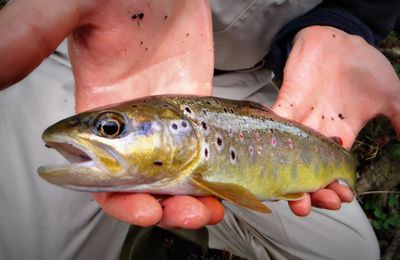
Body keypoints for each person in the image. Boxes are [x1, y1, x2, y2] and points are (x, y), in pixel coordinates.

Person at [0, 0, 399, 259]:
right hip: (99, 64)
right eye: (112, 129)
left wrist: (343, 23)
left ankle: (193, 223)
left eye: (109, 129)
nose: (108, 130)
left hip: (261, 85)